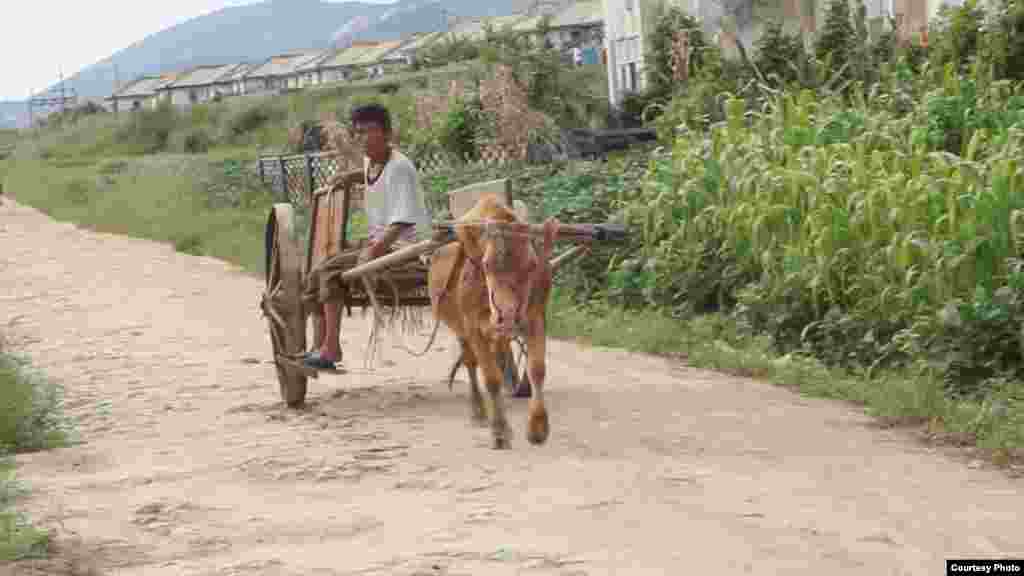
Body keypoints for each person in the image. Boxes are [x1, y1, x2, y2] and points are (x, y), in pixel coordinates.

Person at [303, 103, 431, 370]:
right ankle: (320, 344)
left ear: (387, 134)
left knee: (328, 271)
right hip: (383, 243)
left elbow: (401, 221)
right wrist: (350, 178)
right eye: (358, 132)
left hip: (404, 249)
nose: (361, 138)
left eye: (368, 131)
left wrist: (373, 252)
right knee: (316, 273)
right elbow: (371, 176)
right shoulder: (372, 162)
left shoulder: (400, 168)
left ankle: (331, 349)